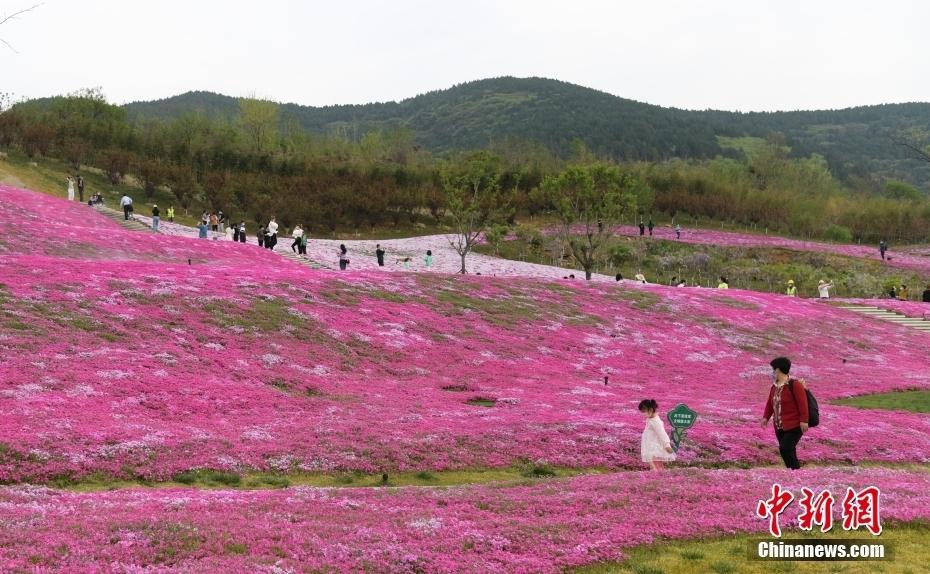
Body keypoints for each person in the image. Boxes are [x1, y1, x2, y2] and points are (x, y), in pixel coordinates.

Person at [761, 357, 809, 470]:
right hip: (779, 426)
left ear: (778, 370)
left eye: (773, 369)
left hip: (794, 425)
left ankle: (793, 471)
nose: (772, 372)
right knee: (789, 450)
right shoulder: (774, 386)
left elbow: (803, 404)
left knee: (785, 448)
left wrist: (804, 420)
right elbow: (770, 403)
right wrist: (765, 417)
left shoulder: (795, 385)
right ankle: (794, 472)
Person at [639, 399, 675, 472]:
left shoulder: (656, 421)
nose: (642, 413)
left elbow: (662, 433)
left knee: (655, 465)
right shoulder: (650, 418)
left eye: (644, 411)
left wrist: (666, 444)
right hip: (650, 444)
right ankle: (658, 476)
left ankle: (657, 476)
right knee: (654, 464)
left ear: (651, 410)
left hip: (654, 446)